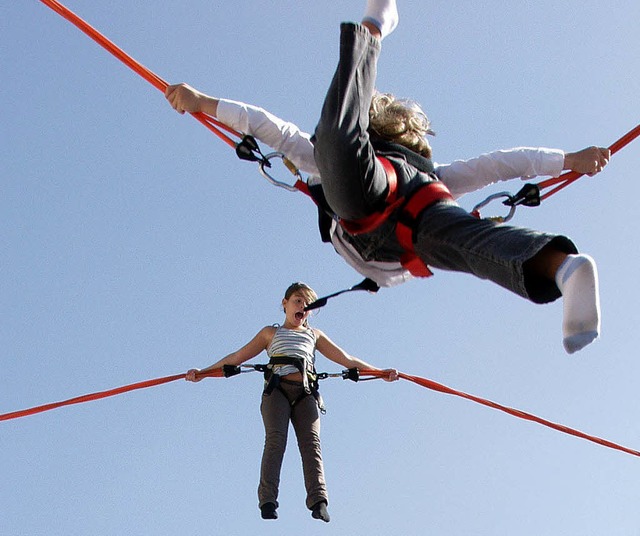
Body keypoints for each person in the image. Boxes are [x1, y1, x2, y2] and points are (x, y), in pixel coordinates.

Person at [166, 2, 610, 355]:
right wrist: (567, 159)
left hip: (393, 207)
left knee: (337, 146)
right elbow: (500, 163)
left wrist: (569, 159)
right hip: (409, 220)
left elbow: (270, 128)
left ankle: (372, 29)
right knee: (471, 243)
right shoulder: (420, 173)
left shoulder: (403, 169)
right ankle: (562, 267)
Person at [185, 282, 398, 522]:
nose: (303, 307)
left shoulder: (314, 335)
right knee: (276, 440)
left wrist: (380, 372)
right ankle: (267, 500)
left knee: (311, 444)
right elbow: (236, 357)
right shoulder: (270, 333)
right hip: (278, 392)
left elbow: (347, 360)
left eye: (308, 305)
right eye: (298, 301)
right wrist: (202, 373)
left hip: (306, 393)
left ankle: (318, 501)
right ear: (285, 303)